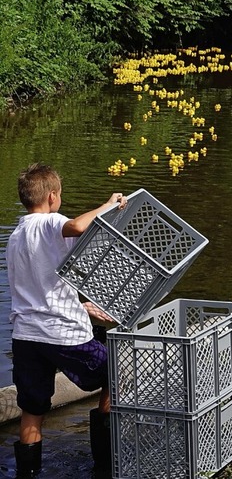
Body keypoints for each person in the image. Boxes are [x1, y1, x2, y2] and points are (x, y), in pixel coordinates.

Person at [7, 163, 127, 478]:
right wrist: (110, 204)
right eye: (59, 194)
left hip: (26, 337)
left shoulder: (16, 236)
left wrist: (82, 306)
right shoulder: (48, 222)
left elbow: (39, 288)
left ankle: (27, 473)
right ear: (52, 196)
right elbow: (76, 226)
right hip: (62, 334)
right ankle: (104, 463)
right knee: (117, 373)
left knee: (32, 409)